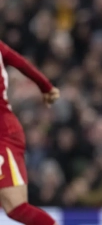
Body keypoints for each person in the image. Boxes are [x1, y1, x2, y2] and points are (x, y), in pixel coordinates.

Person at [0, 41, 60, 225]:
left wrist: (46, 86)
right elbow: (20, 62)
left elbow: (19, 62)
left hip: (3, 135)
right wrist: (46, 86)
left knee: (16, 207)